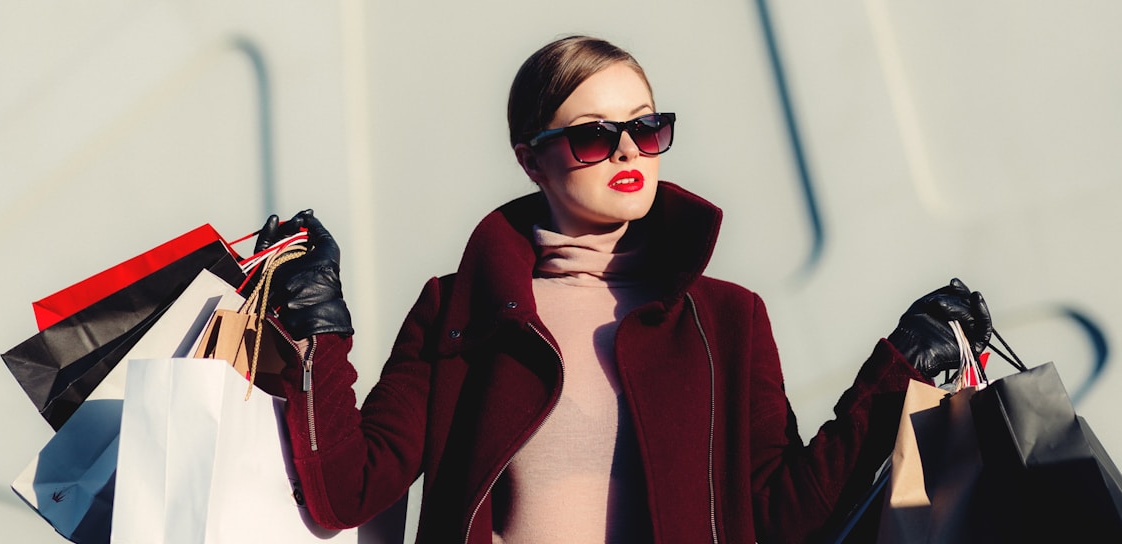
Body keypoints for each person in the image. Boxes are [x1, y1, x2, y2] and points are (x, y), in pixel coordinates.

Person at [251, 35, 992, 544]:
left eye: (647, 126)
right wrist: (319, 327)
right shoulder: (462, 308)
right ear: (531, 160)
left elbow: (778, 515)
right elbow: (348, 488)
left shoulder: (727, 319)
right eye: (594, 136)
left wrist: (897, 370)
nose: (630, 150)